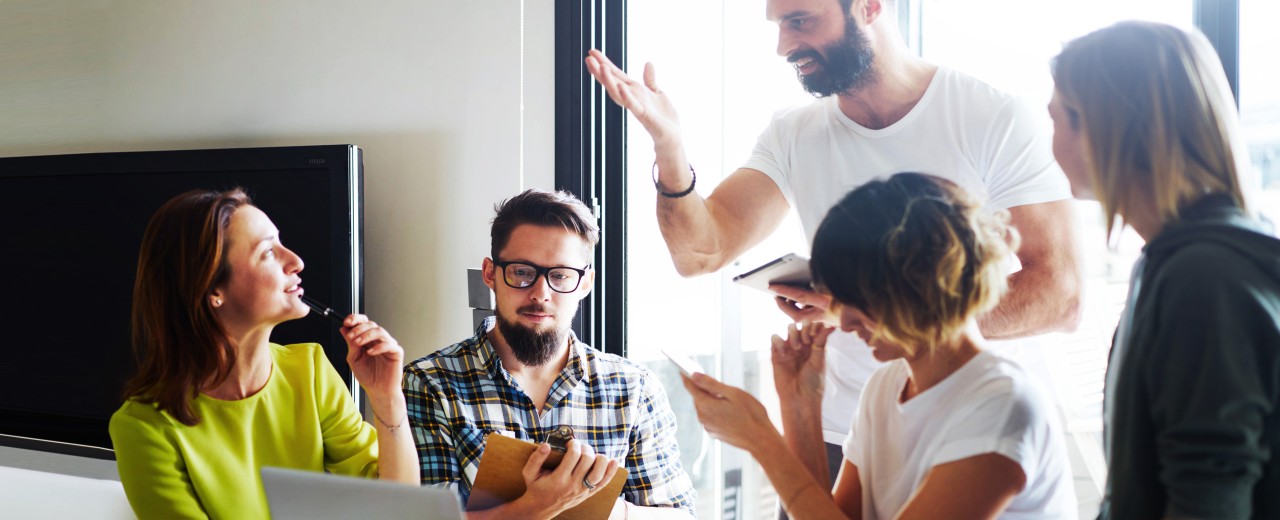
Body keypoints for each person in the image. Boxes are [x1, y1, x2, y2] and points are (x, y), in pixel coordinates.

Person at [585, 0, 1083, 482]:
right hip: (841, 430)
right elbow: (701, 253)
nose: (784, 46)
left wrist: (875, 311)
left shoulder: (992, 117)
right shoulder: (794, 132)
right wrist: (670, 146)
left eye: (800, 21)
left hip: (966, 422)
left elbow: (1060, 296)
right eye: (778, 25)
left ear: (869, 6)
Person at [683, 172, 1077, 519]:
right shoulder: (886, 387)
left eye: (859, 300)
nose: (846, 320)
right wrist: (799, 405)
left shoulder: (1001, 406)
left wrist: (760, 439)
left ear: (918, 287)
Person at [1049, 21, 1280, 519]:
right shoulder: (1180, 260)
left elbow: (1207, 499)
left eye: (1059, 121)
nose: (1051, 146)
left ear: (1108, 128)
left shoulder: (1204, 279)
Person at [109, 188, 419, 519]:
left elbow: (396, 509)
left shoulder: (309, 371)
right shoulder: (143, 428)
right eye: (268, 252)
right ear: (212, 289)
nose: (296, 261)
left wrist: (387, 396)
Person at [403, 189, 696, 519]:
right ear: (490, 274)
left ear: (585, 283)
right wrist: (539, 506)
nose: (541, 293)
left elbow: (679, 515)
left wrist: (604, 508)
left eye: (560, 276)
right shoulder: (431, 382)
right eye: (523, 272)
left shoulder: (633, 388)